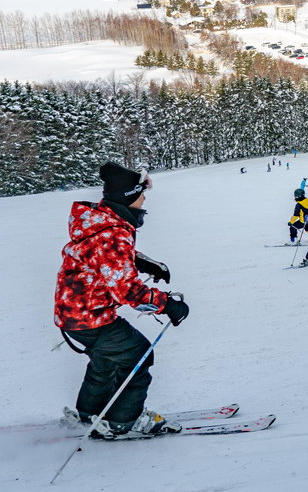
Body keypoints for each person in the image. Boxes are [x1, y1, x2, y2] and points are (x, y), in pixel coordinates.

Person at [53, 162, 189, 439]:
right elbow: (127, 291)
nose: (145, 201)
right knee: (137, 353)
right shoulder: (112, 233)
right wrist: (167, 304)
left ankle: (89, 415)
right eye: (142, 195)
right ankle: (123, 419)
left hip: (74, 312)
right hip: (90, 316)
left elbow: (105, 257)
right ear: (129, 197)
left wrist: (145, 262)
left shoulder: (101, 221)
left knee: (106, 362)